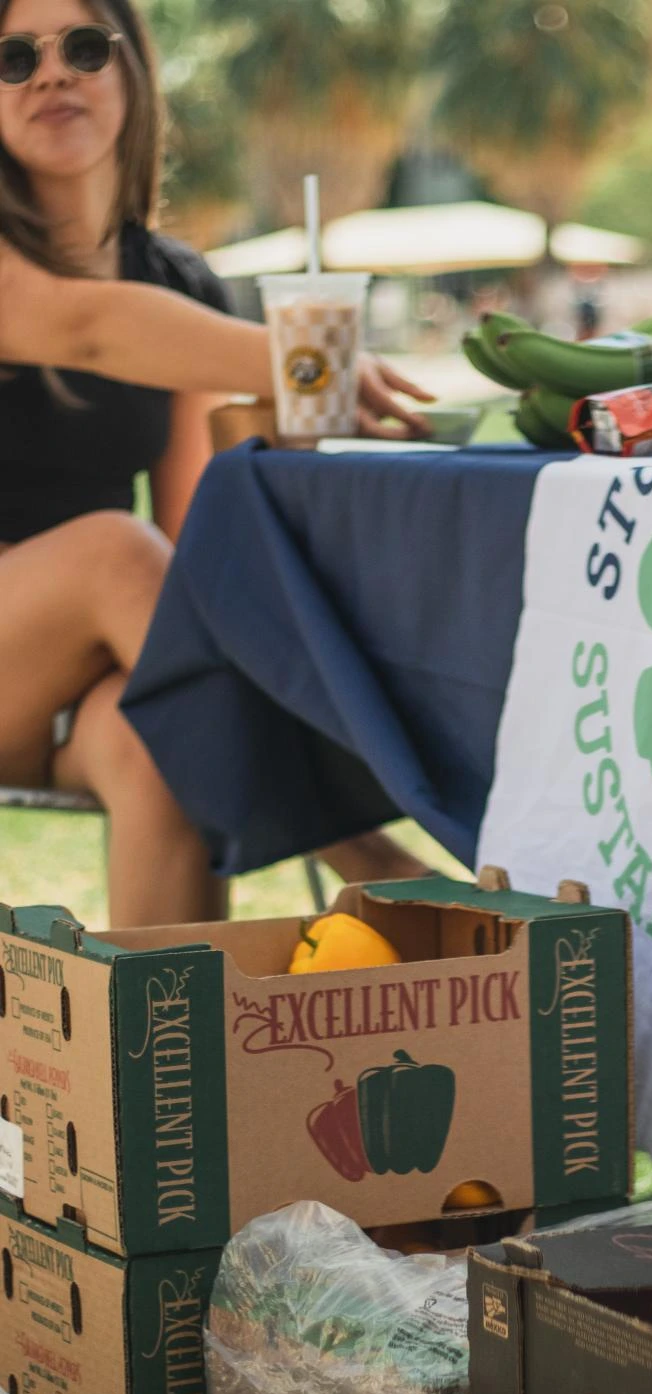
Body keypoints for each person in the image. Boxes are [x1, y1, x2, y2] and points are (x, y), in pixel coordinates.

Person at [0, 0, 430, 925]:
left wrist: (290, 431)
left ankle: (168, 1057)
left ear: (133, 72)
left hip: (68, 693)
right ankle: (360, 847)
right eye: (12, 57)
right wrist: (309, 351)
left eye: (83, 46)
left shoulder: (182, 288)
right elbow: (90, 328)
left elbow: (194, 543)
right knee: (111, 551)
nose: (51, 74)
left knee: (163, 740)